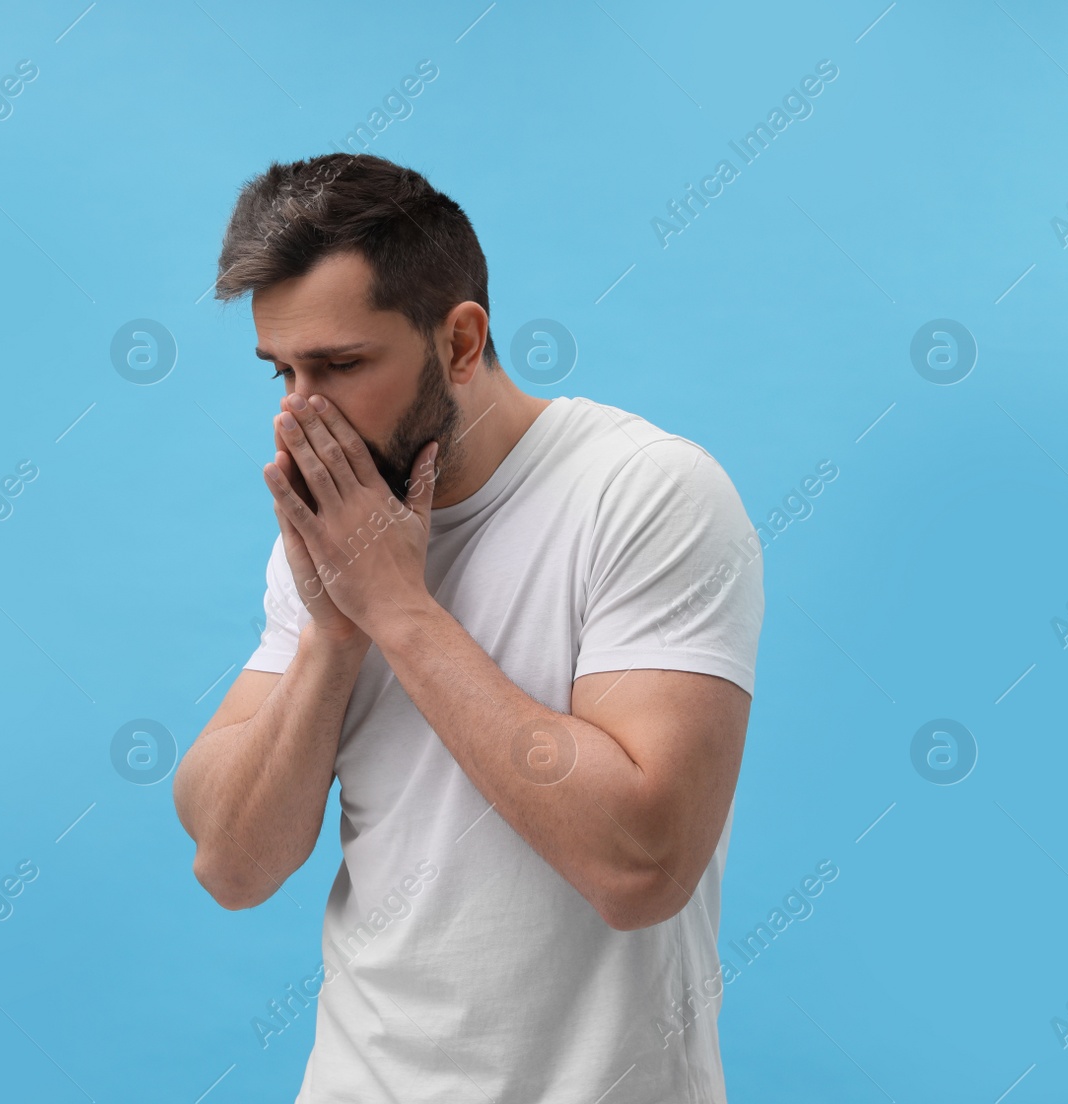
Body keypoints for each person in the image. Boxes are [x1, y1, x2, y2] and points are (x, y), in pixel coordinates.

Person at [171, 152, 765, 1103]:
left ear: (459, 341)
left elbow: (640, 866)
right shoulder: (336, 539)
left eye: (340, 365)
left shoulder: (646, 493)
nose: (298, 415)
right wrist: (334, 632)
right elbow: (230, 861)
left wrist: (398, 609)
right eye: (281, 371)